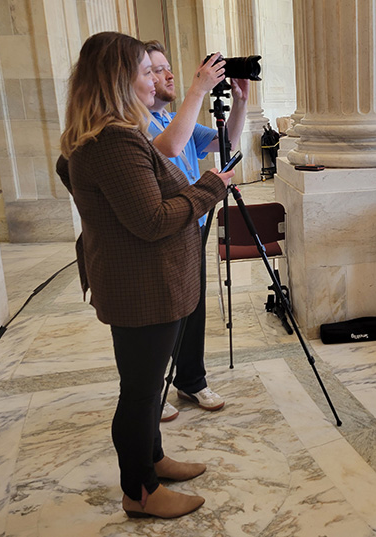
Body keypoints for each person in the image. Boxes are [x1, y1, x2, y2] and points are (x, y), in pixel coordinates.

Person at [57, 32, 234, 518]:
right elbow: (151, 220)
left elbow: (85, 185)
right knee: (140, 394)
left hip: (144, 281)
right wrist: (209, 187)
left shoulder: (103, 134)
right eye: (145, 71)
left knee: (148, 385)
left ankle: (153, 460)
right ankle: (140, 492)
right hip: (143, 287)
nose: (155, 79)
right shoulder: (112, 139)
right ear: (119, 78)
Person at [143, 40, 249, 422]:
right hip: (165, 225)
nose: (168, 74)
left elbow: (226, 143)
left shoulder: (177, 118)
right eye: (155, 69)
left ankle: (190, 378)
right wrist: (198, 89)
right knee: (164, 313)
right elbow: (170, 147)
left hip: (194, 221)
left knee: (193, 305)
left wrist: (239, 103)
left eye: (167, 66)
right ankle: (150, 390)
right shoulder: (139, 120)